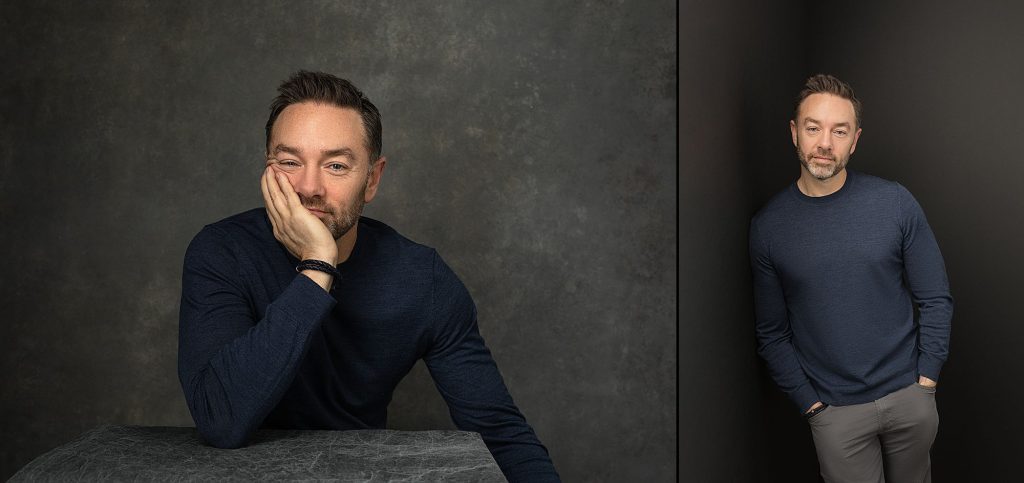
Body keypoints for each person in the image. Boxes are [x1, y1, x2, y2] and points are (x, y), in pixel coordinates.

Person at [178, 70, 560, 482]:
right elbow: (221, 419)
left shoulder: (421, 279)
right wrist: (318, 266)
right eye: (289, 162)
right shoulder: (221, 252)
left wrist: (316, 257)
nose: (309, 187)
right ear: (268, 171)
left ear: (372, 179)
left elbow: (501, 436)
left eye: (337, 165)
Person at [749, 74, 953, 482]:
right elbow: (772, 333)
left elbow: (936, 299)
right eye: (813, 128)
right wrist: (813, 407)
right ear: (795, 133)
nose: (825, 143)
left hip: (909, 397)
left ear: (854, 140)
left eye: (839, 131)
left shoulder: (894, 202)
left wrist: (926, 381)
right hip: (835, 413)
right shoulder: (769, 227)